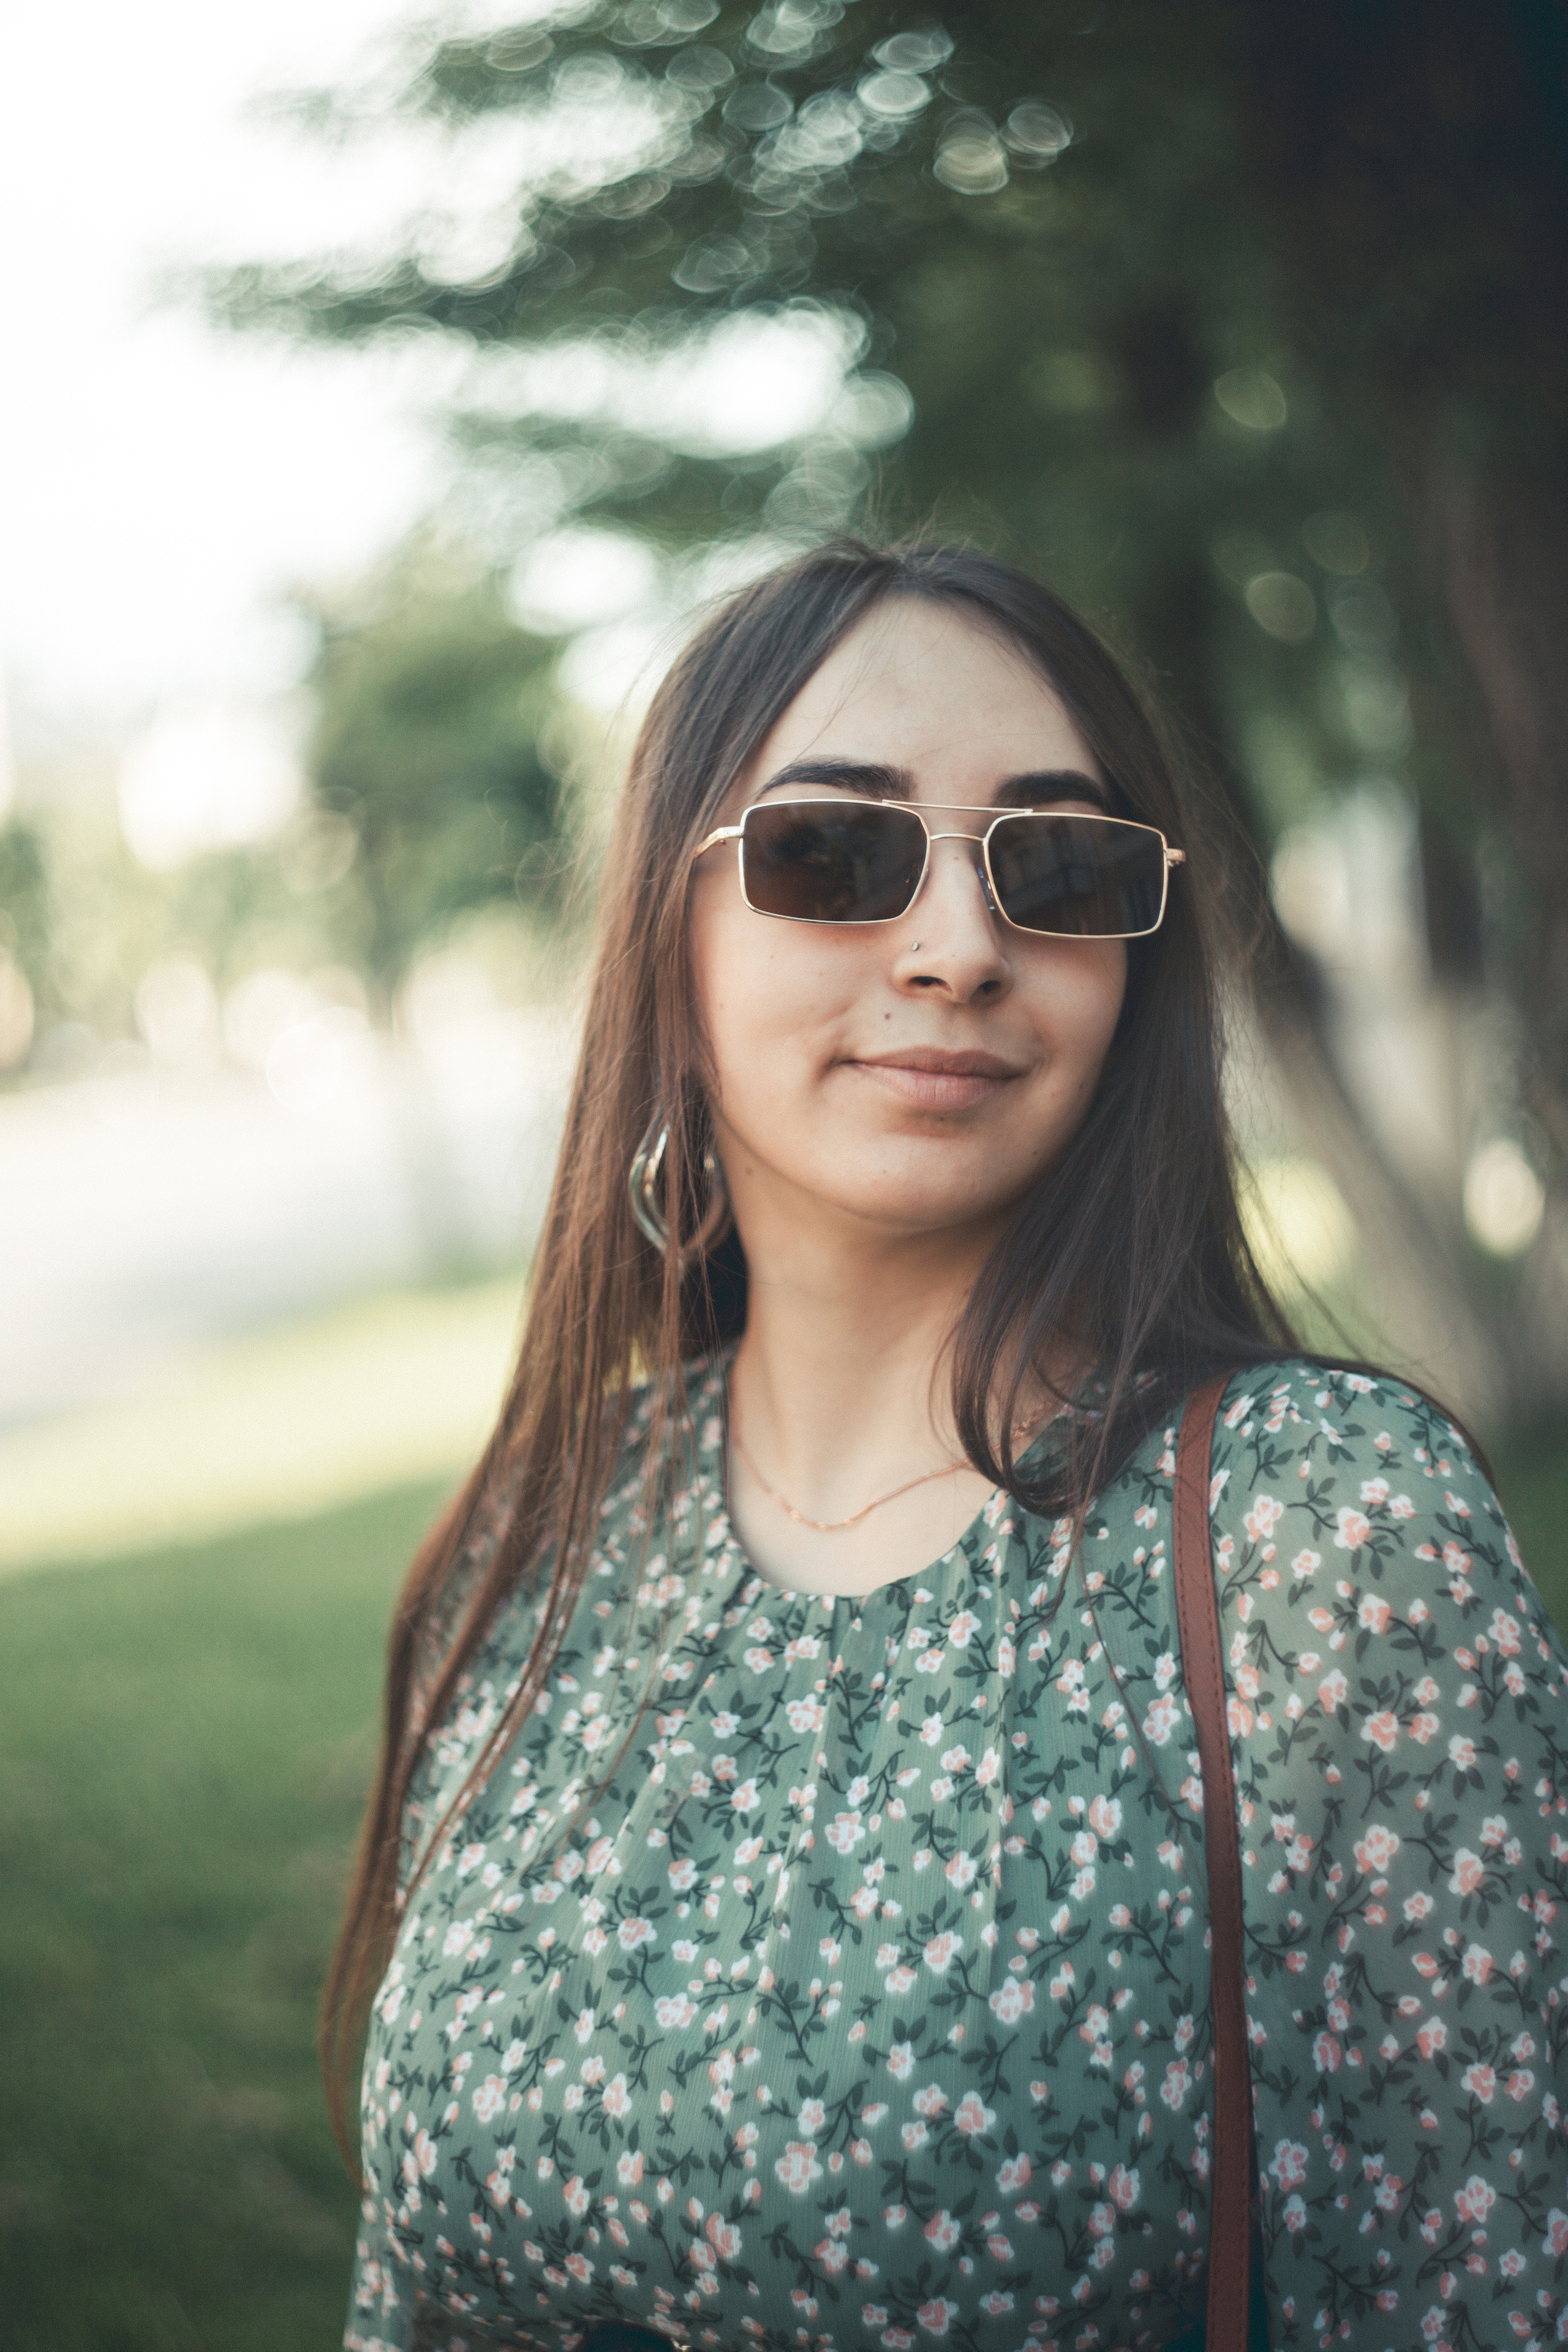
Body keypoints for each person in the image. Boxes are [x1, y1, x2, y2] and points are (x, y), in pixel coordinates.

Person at [336, 542, 1568, 2352]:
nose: (960, 949)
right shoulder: (552, 1521)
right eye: (835, 852)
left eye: (1059, 867)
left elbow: (1482, 2292)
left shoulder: (1324, 1542)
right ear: (665, 950)